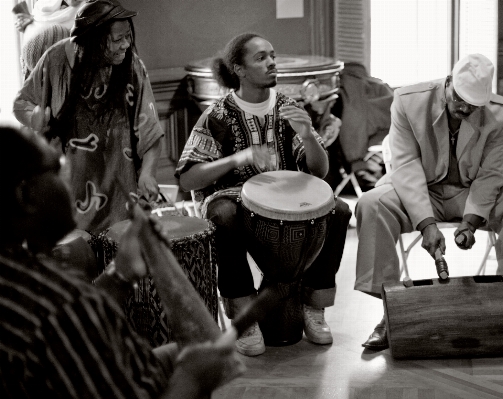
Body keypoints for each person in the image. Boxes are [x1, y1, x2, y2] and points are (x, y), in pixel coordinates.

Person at [0, 125, 245, 398]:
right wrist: (191, 377)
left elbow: (76, 327)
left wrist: (120, 274)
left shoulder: (18, 275)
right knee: (198, 356)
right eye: (57, 168)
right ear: (26, 195)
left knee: (179, 352)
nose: (69, 182)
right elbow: (69, 315)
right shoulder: (60, 306)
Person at [355, 53, 503, 350]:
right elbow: (405, 167)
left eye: (473, 105)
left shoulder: (500, 113)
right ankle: (390, 315)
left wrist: (471, 223)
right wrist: (426, 224)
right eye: (459, 99)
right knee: (371, 204)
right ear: (448, 83)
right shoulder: (408, 101)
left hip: (471, 191)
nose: (464, 108)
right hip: (419, 190)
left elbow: (490, 173)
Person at [176, 33, 352, 357]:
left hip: (286, 201)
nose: (272, 62)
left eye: (272, 55)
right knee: (224, 215)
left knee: (338, 210)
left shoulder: (288, 108)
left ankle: (315, 308)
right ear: (239, 69)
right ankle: (244, 317)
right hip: (231, 199)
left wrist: (308, 136)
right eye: (261, 58)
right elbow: (187, 176)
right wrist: (239, 158)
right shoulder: (218, 115)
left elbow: (320, 171)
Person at [13, 0, 163, 235]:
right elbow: (21, 104)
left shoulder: (132, 67)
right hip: (70, 192)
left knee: (121, 259)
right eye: (117, 39)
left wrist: (147, 172)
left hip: (121, 192)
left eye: (128, 37)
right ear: (92, 40)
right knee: (80, 259)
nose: (126, 45)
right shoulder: (56, 60)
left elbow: (150, 129)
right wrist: (35, 117)